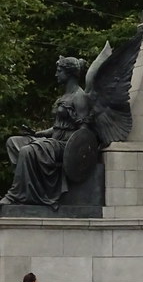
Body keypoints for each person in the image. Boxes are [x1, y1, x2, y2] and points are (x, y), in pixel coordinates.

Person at [1, 56, 91, 208]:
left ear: (69, 73)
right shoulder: (64, 96)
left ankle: (15, 195)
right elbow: (57, 127)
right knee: (13, 142)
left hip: (65, 145)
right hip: (53, 141)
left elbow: (84, 132)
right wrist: (39, 133)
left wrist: (72, 147)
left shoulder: (79, 97)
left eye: (59, 71)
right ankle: (28, 189)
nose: (56, 74)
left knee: (28, 151)